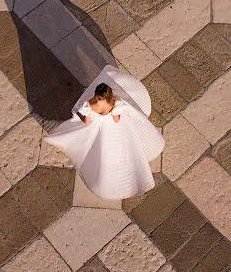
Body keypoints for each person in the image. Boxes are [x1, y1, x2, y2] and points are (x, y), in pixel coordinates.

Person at [46, 65, 165, 200]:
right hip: (116, 127)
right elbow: (116, 119)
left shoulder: (91, 104)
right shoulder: (115, 103)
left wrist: (92, 117)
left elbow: (85, 119)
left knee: (105, 149)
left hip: (100, 127)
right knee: (124, 145)